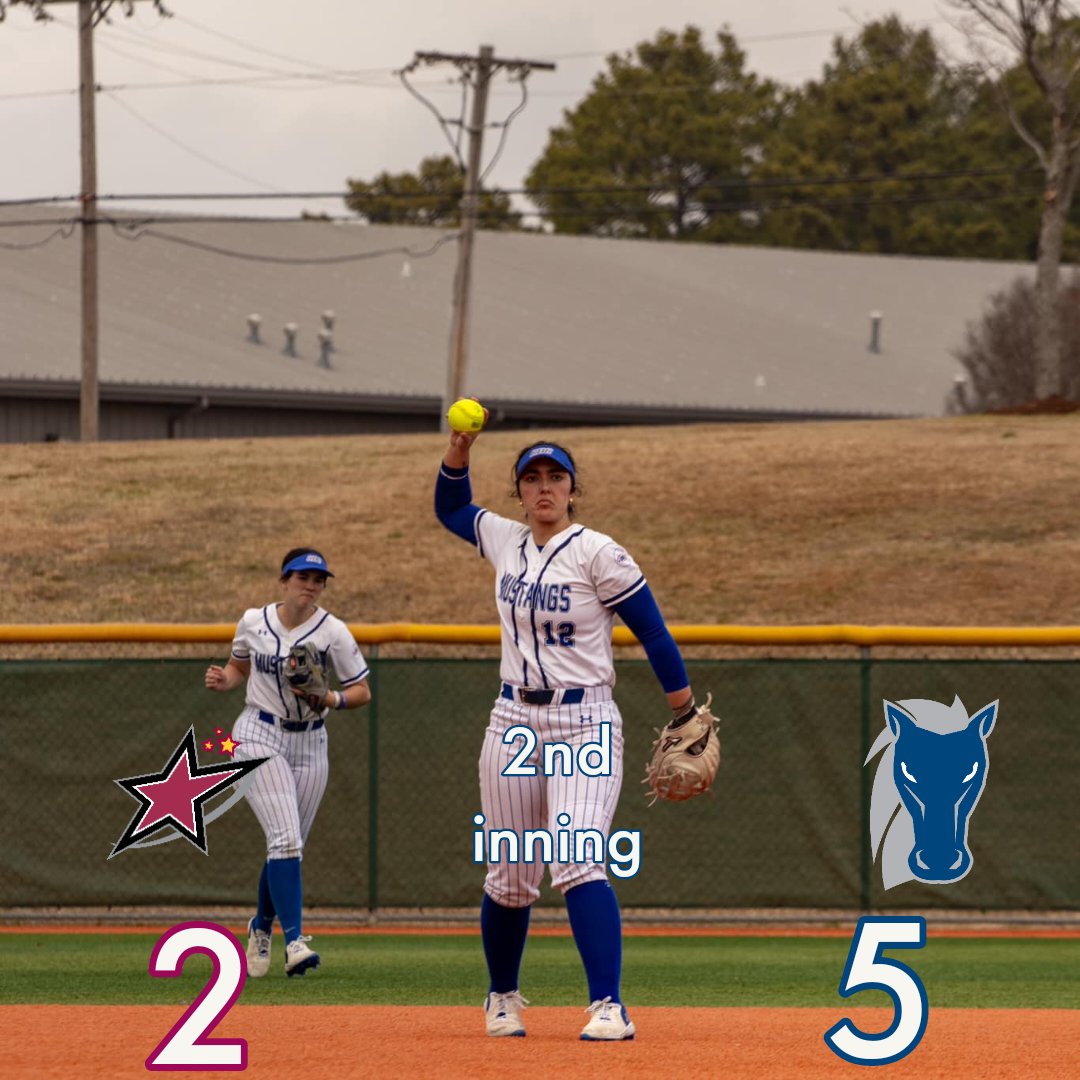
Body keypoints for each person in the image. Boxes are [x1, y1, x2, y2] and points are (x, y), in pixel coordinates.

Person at [435, 430, 701, 1041]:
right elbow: (450, 508)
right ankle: (502, 998)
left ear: (573, 491)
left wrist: (683, 709)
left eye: (556, 478)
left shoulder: (599, 553)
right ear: (521, 493)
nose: (544, 487)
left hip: (583, 721)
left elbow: (653, 633)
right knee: (509, 871)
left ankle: (608, 1005)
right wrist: (458, 447)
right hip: (511, 721)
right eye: (533, 479)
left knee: (578, 858)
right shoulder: (504, 539)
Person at [204, 548, 371, 978]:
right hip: (258, 733)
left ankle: (260, 925)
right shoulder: (253, 621)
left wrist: (330, 698)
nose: (311, 586)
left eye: (318, 580)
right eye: (303, 578)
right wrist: (226, 679)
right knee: (284, 839)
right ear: (284, 580)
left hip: (311, 743)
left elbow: (362, 691)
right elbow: (239, 664)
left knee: (289, 843)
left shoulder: (332, 631)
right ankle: (295, 942)